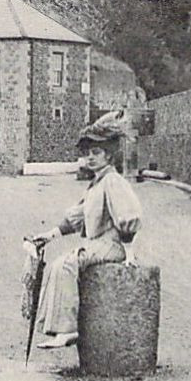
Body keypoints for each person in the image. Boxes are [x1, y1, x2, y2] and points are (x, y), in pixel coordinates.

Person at [28, 112, 143, 349]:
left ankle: (68, 329)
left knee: (68, 263)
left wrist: (129, 253)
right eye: (87, 153)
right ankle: (59, 328)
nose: (90, 158)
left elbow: (127, 216)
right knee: (60, 263)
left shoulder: (112, 181)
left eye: (96, 153)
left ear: (109, 155)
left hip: (112, 245)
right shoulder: (96, 184)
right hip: (97, 244)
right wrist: (48, 236)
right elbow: (76, 218)